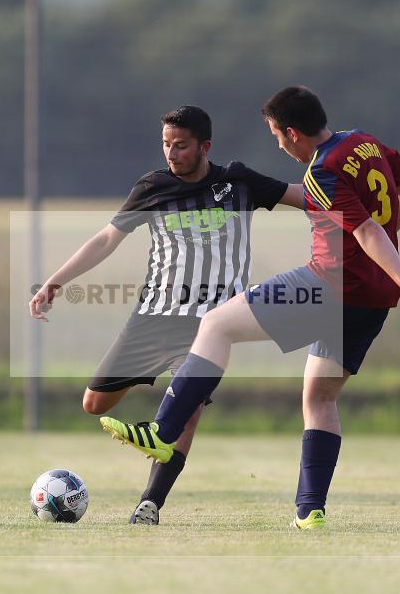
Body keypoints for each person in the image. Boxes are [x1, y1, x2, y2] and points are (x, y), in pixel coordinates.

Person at [100, 86, 400, 529]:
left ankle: (163, 431)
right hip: (372, 300)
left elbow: (370, 232)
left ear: (294, 133)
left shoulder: (324, 171)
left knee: (218, 323)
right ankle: (310, 511)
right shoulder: (364, 142)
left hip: (325, 286)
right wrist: (390, 270)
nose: (279, 145)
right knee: (320, 397)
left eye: (278, 136)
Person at [29, 105, 304, 524]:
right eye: (166, 145)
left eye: (181, 146)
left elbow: (304, 197)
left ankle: (150, 504)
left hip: (211, 325)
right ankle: (161, 408)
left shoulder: (238, 181)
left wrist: (355, 206)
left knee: (187, 412)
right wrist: (55, 281)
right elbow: (107, 239)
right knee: (94, 404)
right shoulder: (152, 187)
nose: (172, 154)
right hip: (153, 316)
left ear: (204, 146)